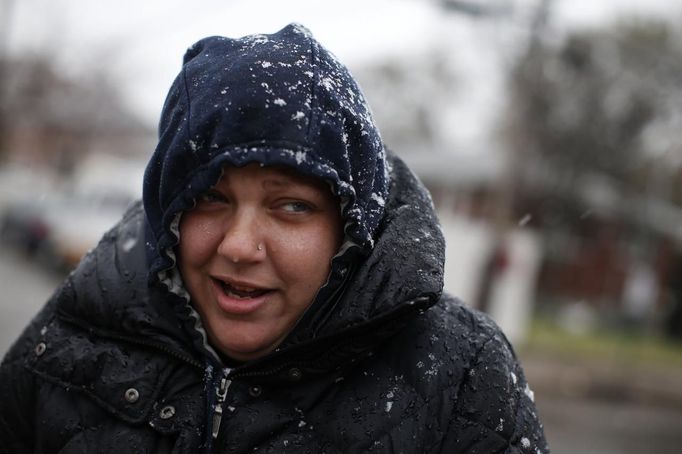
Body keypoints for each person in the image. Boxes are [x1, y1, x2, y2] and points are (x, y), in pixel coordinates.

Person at [0, 24, 548, 453]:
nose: (239, 246)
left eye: (291, 207)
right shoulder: (74, 336)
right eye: (209, 198)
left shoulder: (461, 377)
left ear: (351, 229)